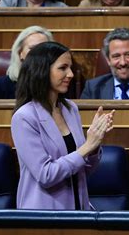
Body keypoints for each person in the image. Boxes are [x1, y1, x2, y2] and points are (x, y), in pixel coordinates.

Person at [11, 41, 115, 209]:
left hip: (78, 210)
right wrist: (87, 147)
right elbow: (46, 175)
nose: (71, 74)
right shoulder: (24, 117)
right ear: (42, 71)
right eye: (63, 68)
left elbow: (83, 169)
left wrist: (95, 143)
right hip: (43, 215)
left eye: (70, 67)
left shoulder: (70, 108)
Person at [0, 26, 54, 99]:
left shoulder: (59, 82)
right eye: (32, 48)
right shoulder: (2, 85)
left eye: (43, 48)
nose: (38, 53)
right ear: (20, 53)